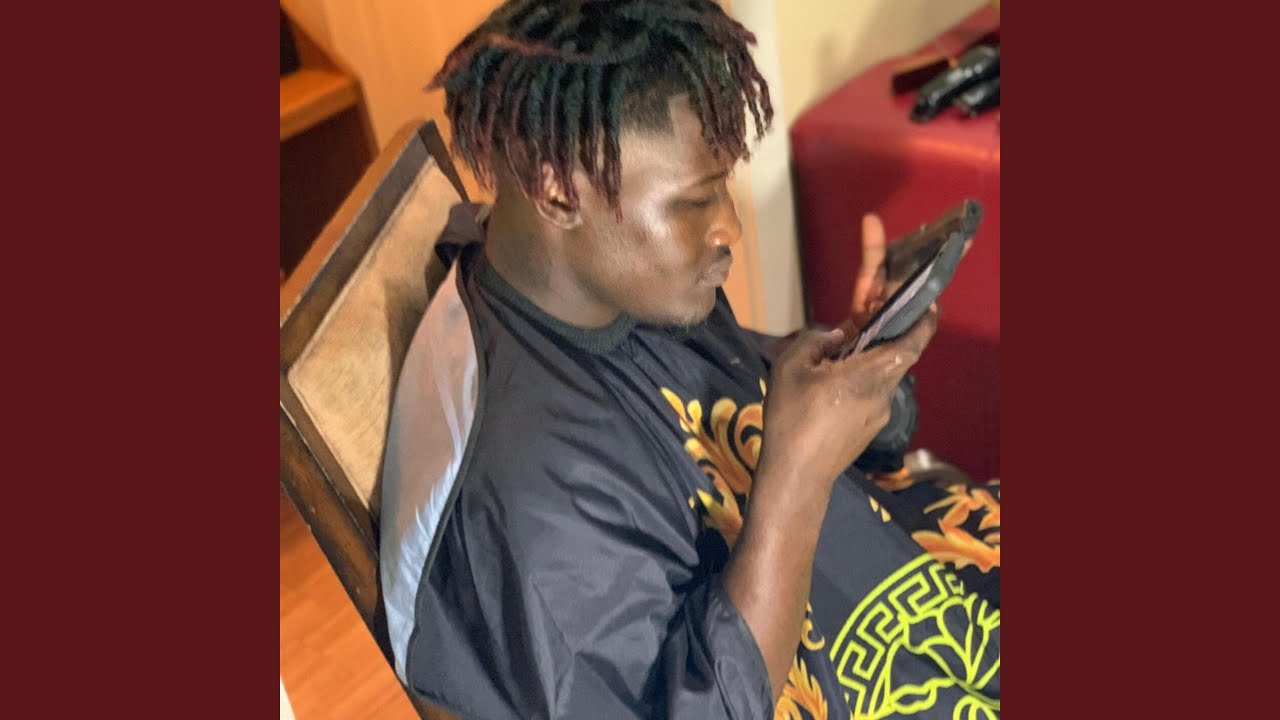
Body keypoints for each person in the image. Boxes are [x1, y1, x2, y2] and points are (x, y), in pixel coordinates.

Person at [379, 1, 1000, 718]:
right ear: (556, 189)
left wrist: (856, 372)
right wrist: (796, 480)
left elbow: (735, 400)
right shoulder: (531, 510)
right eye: (693, 202)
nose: (729, 226)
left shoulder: (610, 290)